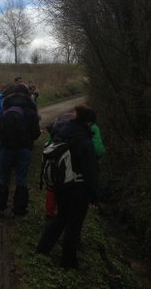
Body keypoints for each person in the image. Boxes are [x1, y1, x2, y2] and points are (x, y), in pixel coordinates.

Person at [37, 105, 100, 269]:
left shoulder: (63, 132)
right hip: (78, 186)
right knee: (74, 223)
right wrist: (94, 194)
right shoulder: (84, 140)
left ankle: (43, 248)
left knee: (61, 217)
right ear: (88, 122)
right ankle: (69, 262)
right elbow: (90, 169)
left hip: (61, 183)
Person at [0, 84, 41, 217]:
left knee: (4, 177)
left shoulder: (6, 108)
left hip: (6, 148)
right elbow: (36, 133)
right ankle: (19, 210)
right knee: (21, 179)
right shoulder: (30, 110)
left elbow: (0, 129)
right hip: (24, 149)